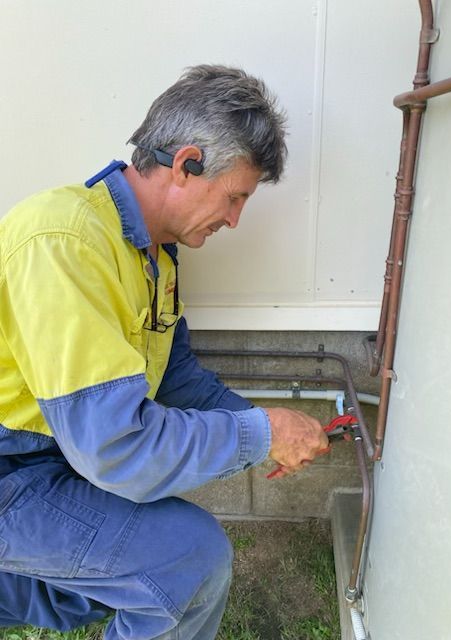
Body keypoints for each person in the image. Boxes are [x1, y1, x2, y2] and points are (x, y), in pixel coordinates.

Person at [0, 65, 330, 639]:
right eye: (234, 197)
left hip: (50, 462)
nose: (235, 219)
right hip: (13, 471)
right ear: (185, 163)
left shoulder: (155, 255)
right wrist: (262, 432)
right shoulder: (64, 242)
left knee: (85, 590)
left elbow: (176, 379)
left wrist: (257, 426)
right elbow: (115, 448)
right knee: (185, 563)